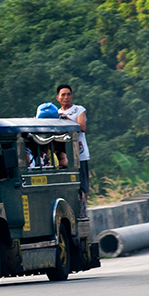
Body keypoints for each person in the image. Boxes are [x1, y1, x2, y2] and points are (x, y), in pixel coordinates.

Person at [56, 84, 89, 217]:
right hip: (63, 155)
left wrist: (66, 119)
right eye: (63, 94)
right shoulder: (56, 113)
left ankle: (83, 210)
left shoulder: (78, 110)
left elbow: (82, 127)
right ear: (57, 97)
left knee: (83, 184)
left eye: (68, 94)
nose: (66, 97)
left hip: (80, 154)